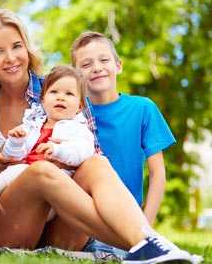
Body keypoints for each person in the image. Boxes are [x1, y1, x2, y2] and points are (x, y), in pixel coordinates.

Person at [0, 8, 201, 264]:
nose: (11, 58)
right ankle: (144, 244)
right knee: (41, 171)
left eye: (17, 46)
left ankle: (147, 242)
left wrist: (62, 156)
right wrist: (0, 163)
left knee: (96, 162)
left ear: (27, 49)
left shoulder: (61, 90)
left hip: (60, 229)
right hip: (7, 223)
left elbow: (90, 154)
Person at [0, 65, 95, 246]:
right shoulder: (33, 125)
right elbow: (14, 156)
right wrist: (15, 141)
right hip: (20, 183)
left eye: (69, 94)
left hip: (52, 195)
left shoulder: (79, 130)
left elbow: (82, 153)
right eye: (54, 92)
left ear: (80, 106)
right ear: (43, 100)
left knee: (8, 177)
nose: (61, 97)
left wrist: (59, 150)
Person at [70, 31, 175, 226]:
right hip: (83, 220)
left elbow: (158, 173)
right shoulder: (72, 114)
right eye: (86, 64)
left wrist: (145, 228)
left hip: (127, 219)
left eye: (104, 60)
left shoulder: (143, 108)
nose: (96, 68)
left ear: (118, 66)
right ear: (75, 75)